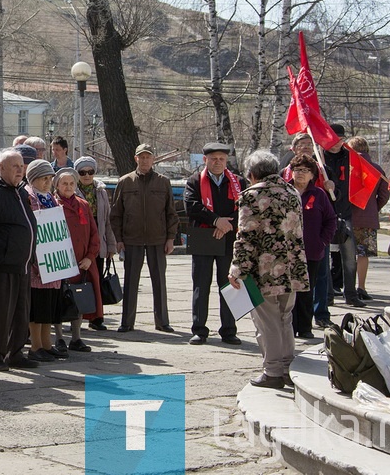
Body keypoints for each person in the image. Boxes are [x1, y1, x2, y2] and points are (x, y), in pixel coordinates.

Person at [228, 151, 308, 389]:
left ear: (252, 173)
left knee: (267, 322)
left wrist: (236, 269)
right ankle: (286, 368)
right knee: (285, 318)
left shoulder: (252, 195)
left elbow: (246, 237)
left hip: (264, 270)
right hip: (292, 267)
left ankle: (272, 371)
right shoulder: (292, 192)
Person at [109, 145, 177, 333]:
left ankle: (162, 322)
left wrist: (170, 238)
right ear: (136, 158)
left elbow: (171, 213)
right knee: (131, 282)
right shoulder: (125, 182)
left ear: (153, 159)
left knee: (159, 282)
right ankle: (127, 322)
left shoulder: (163, 182)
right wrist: (119, 239)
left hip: (158, 239)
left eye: (148, 157)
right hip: (132, 239)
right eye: (142, 157)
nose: (145, 160)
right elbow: (116, 214)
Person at [184, 142, 246, 346]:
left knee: (229, 284)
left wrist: (226, 224)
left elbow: (245, 208)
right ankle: (199, 330)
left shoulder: (238, 182)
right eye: (213, 159)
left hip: (229, 240)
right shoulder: (194, 181)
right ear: (205, 160)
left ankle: (229, 330)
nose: (217, 162)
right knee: (201, 285)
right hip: (203, 239)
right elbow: (191, 206)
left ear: (226, 160)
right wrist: (215, 220)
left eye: (221, 159)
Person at [0, 150, 39, 371]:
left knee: (20, 312)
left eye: (21, 166)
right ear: (2, 169)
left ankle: (15, 353)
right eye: (14, 166)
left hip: (22, 264)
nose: (19, 169)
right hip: (2, 264)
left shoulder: (20, 192)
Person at [23, 160, 67, 361]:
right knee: (38, 306)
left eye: (50, 179)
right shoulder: (30, 197)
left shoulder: (50, 197)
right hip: (37, 264)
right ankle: (36, 345)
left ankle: (47, 343)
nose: (47, 183)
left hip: (52, 263)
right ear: (33, 179)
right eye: (43, 179)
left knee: (49, 306)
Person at [287, 155, 335, 339]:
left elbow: (330, 221)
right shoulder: (284, 192)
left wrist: (322, 241)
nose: (300, 174)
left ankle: (305, 328)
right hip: (288, 252)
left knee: (307, 290)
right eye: (297, 169)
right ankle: (290, 327)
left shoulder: (319, 194)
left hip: (312, 251)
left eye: (305, 170)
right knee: (289, 290)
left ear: (312, 174)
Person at [55, 168, 100, 352]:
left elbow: (94, 235)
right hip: (60, 265)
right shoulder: (51, 205)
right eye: (64, 183)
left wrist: (90, 257)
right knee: (58, 301)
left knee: (79, 300)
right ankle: (58, 338)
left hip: (82, 264)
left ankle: (76, 338)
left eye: (71, 183)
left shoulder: (83, 205)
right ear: (57, 185)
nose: (68, 187)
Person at [75, 156, 119, 330]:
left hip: (98, 240)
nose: (87, 175)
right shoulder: (72, 189)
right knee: (78, 281)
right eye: (82, 172)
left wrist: (111, 245)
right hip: (79, 241)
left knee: (97, 279)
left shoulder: (100, 191)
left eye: (90, 172)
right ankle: (76, 315)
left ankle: (96, 318)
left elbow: (107, 220)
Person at [323, 123, 364, 307]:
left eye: (341, 139)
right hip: (325, 212)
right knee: (325, 257)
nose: (337, 143)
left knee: (349, 256)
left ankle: (351, 294)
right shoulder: (320, 157)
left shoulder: (350, 157)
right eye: (334, 138)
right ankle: (328, 294)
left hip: (344, 211)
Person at [348, 136, 389, 301]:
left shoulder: (349, 167)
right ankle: (362, 287)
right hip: (368, 219)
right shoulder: (376, 169)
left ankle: (348, 288)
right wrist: (374, 208)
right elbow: (384, 195)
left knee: (347, 254)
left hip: (348, 217)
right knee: (363, 254)